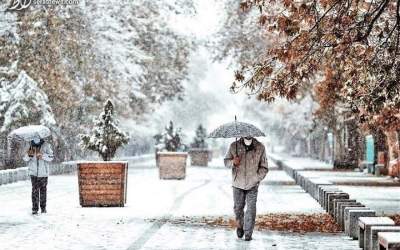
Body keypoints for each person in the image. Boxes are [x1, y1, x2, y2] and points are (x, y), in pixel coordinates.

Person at [224, 136, 268, 241]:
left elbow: (264, 167)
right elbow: (226, 162)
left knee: (251, 209)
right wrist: (233, 162)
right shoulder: (234, 146)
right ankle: (240, 226)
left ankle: (248, 233)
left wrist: (257, 178)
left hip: (252, 184)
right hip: (237, 183)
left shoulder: (260, 147)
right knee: (238, 208)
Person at [23, 137, 54, 215]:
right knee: (34, 191)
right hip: (33, 173)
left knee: (43, 191)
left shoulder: (46, 145)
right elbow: (25, 158)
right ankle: (35, 208)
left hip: (43, 173)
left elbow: (51, 157)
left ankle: (43, 208)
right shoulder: (29, 145)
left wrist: (43, 156)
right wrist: (30, 154)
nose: (36, 139)